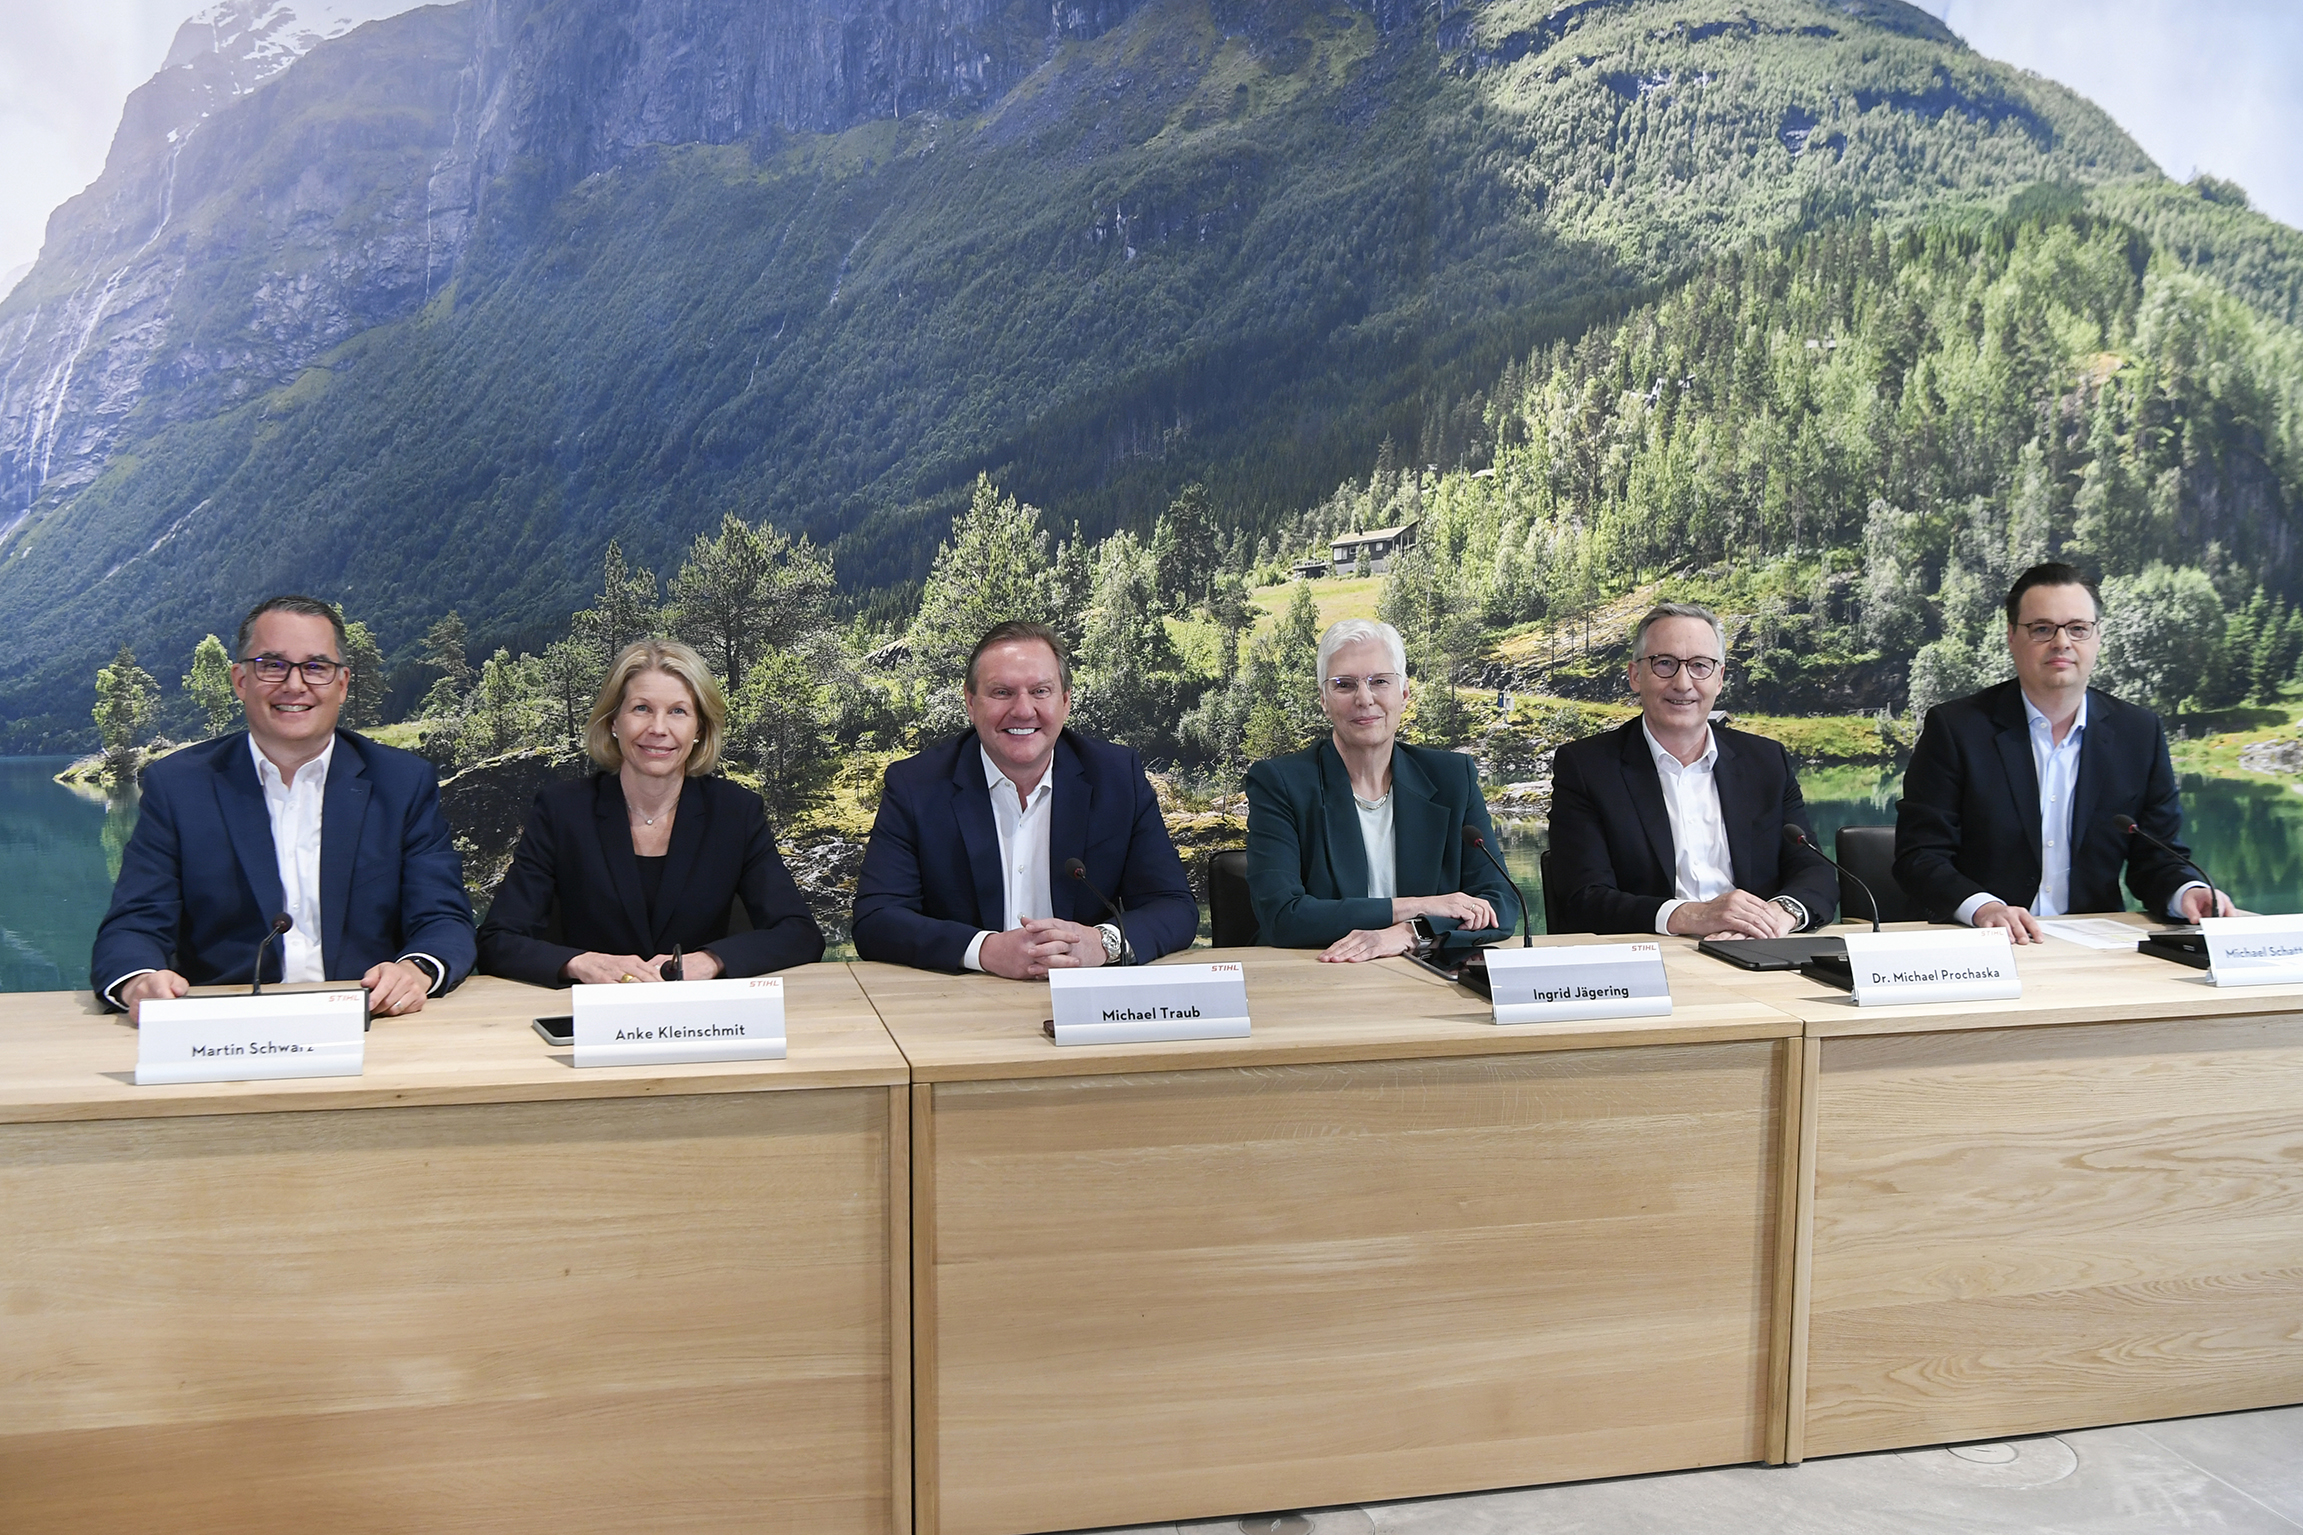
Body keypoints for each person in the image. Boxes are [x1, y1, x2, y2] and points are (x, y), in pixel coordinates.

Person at [91, 595, 475, 1019]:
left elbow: (444, 920)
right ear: (240, 680)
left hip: (372, 1023)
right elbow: (133, 926)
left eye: (316, 667)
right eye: (272, 665)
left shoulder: (403, 783)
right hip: (227, 1032)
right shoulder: (178, 787)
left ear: (343, 684)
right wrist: (140, 979)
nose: (295, 685)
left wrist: (416, 969)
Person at [1894, 561, 2228, 942]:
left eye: (2078, 628)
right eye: (2042, 629)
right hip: (1979, 944)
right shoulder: (1956, 729)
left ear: (2097, 637)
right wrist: (1983, 907)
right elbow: (1920, 857)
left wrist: (2188, 891)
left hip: (2096, 949)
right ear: (2011, 637)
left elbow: (2157, 857)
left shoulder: (2138, 733)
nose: (2062, 642)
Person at [851, 621, 1198, 976]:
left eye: (1040, 691)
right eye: (1002, 692)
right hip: (960, 1001)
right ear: (971, 703)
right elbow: (877, 919)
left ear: (1065, 702)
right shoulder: (915, 786)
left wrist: (1101, 943)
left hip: (1085, 1000)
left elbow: (1173, 906)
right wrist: (983, 950)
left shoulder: (1116, 777)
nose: (1022, 710)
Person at [477, 640, 823, 985]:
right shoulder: (562, 811)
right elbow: (498, 940)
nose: (658, 728)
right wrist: (579, 963)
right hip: (594, 1019)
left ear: (699, 729)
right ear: (614, 720)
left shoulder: (736, 813)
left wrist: (712, 960)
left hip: (702, 1021)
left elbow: (799, 933)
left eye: (678, 711)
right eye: (641, 708)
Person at [1548, 602, 1836, 937]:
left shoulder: (1766, 762)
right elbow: (1584, 897)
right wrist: (1692, 916)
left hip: (1757, 948)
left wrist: (1776, 916)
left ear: (1719, 678)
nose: (1683, 683)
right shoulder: (1587, 768)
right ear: (1635, 676)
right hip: (1652, 957)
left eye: (1700, 666)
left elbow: (1816, 871)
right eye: (1665, 664)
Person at [1243, 619, 1516, 962]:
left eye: (1380, 682)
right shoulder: (1280, 783)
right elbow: (1283, 917)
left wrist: (1411, 933)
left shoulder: (1452, 778)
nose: (1364, 698)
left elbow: (1500, 903)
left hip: (1428, 981)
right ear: (1324, 700)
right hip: (1317, 975)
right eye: (1344, 685)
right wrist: (1417, 907)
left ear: (1403, 693)